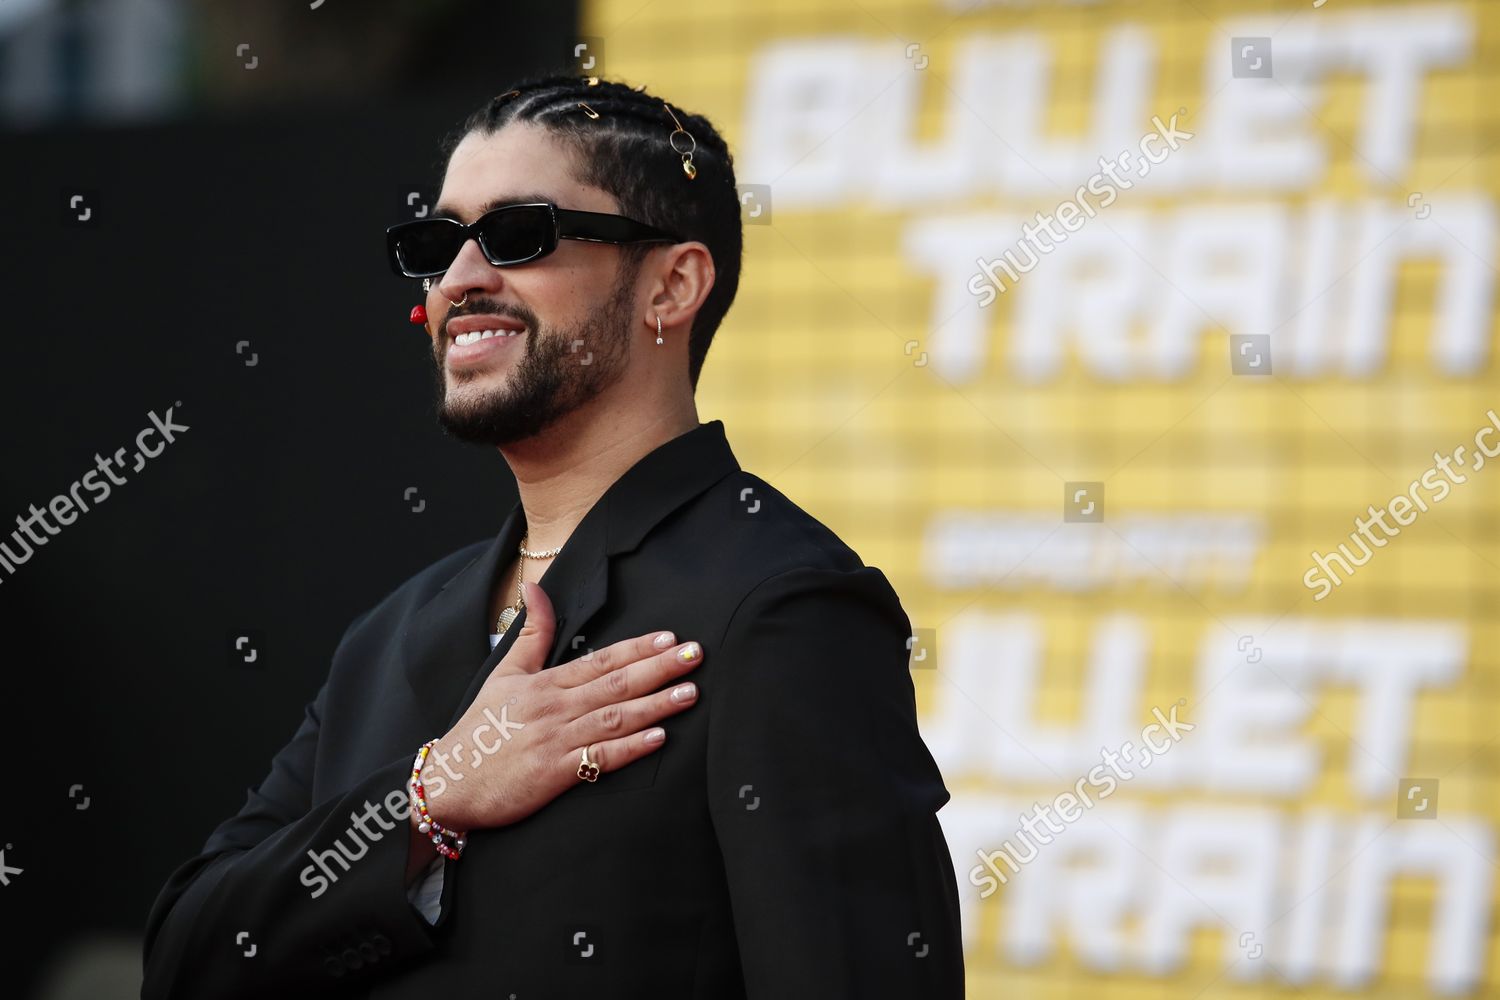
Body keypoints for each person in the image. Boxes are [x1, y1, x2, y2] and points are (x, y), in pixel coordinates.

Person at [141, 74, 964, 999]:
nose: (458, 279)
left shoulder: (781, 609)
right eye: (437, 242)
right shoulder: (396, 631)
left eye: (517, 234)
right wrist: (430, 797)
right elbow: (187, 957)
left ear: (673, 284)